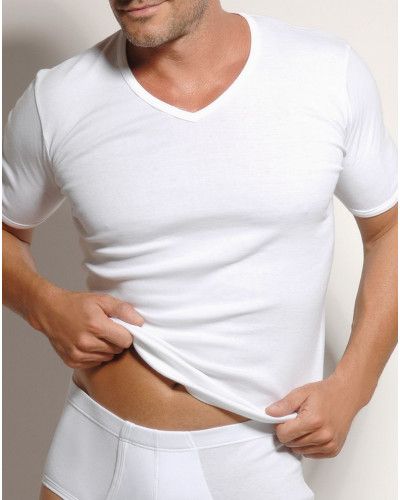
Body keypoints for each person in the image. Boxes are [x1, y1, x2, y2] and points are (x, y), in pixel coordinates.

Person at [2, 0, 397, 498]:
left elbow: (388, 230)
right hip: (97, 453)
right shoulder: (58, 99)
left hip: (255, 457)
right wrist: (44, 305)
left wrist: (354, 387)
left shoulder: (325, 73)